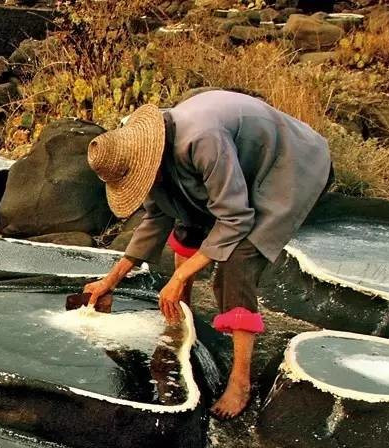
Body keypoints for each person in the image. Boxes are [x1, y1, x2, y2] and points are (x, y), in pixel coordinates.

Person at [82, 90, 333, 419]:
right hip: (237, 169)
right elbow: (156, 219)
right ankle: (181, 329)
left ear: (149, 159)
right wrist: (110, 281)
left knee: (237, 261)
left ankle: (240, 381)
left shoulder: (202, 140)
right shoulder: (146, 156)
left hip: (287, 163)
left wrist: (179, 277)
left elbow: (235, 219)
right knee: (186, 231)